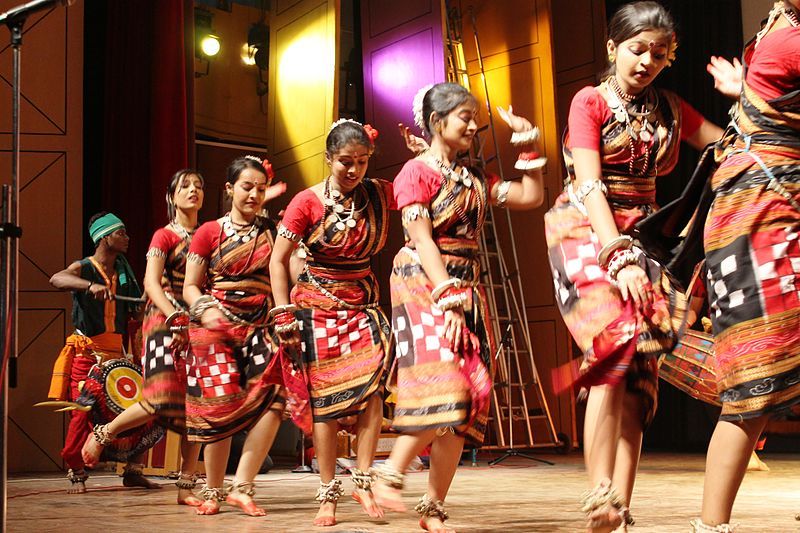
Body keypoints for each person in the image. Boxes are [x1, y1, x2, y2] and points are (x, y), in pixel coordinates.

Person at [543, 2, 723, 531]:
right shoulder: (589, 102)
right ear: (612, 48)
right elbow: (591, 183)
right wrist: (615, 255)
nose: (646, 61)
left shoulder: (668, 107)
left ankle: (619, 507)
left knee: (642, 373)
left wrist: (749, 106)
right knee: (615, 341)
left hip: (643, 238)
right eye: (637, 49)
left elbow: (721, 144)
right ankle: (598, 491)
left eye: (659, 54)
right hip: (584, 227)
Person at [370, 81, 544, 533]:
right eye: (463, 115)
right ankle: (389, 472)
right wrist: (446, 298)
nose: (472, 124)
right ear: (436, 122)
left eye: (473, 115)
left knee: (466, 403)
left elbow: (530, 196)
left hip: (466, 285)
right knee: (444, 383)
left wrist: (527, 142)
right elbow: (423, 239)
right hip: (422, 282)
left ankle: (432, 509)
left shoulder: (473, 178)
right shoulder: (415, 173)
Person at [690, 1, 800, 530]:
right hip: (762, 210)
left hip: (766, 203)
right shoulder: (785, 32)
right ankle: (711, 526)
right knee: (756, 374)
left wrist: (745, 92)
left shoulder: (780, 29)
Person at [270, 119, 395, 527]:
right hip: (317, 306)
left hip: (363, 304)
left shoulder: (376, 194)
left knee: (374, 390)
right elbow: (277, 259)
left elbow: (419, 194)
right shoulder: (306, 202)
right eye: (344, 162)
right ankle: (328, 492)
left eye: (361, 162)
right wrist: (282, 310)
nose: (353, 170)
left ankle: (362, 477)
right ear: (328, 159)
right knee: (324, 404)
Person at [81, 170, 206, 505]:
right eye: (185, 186)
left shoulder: (210, 234)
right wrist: (174, 316)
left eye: (198, 186)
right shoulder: (163, 236)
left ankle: (186, 487)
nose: (193, 191)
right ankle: (104, 433)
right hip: (164, 319)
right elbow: (151, 283)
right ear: (171, 196)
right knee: (159, 396)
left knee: (195, 405)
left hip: (196, 321)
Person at [182, 156, 287, 516]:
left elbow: (285, 276)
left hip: (258, 326)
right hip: (215, 327)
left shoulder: (271, 231)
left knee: (276, 396)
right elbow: (191, 287)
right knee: (219, 411)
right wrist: (207, 312)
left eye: (260, 188)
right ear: (229, 190)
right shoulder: (209, 232)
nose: (254, 194)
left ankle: (242, 485)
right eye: (247, 187)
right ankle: (212, 490)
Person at [48, 212, 160, 493]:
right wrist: (90, 285)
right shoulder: (85, 267)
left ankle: (133, 471)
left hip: (118, 354)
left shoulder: (123, 269)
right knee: (81, 414)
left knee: (143, 409)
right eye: (120, 232)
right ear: (104, 237)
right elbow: (57, 279)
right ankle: (76, 471)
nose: (127, 237)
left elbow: (136, 309)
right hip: (88, 354)